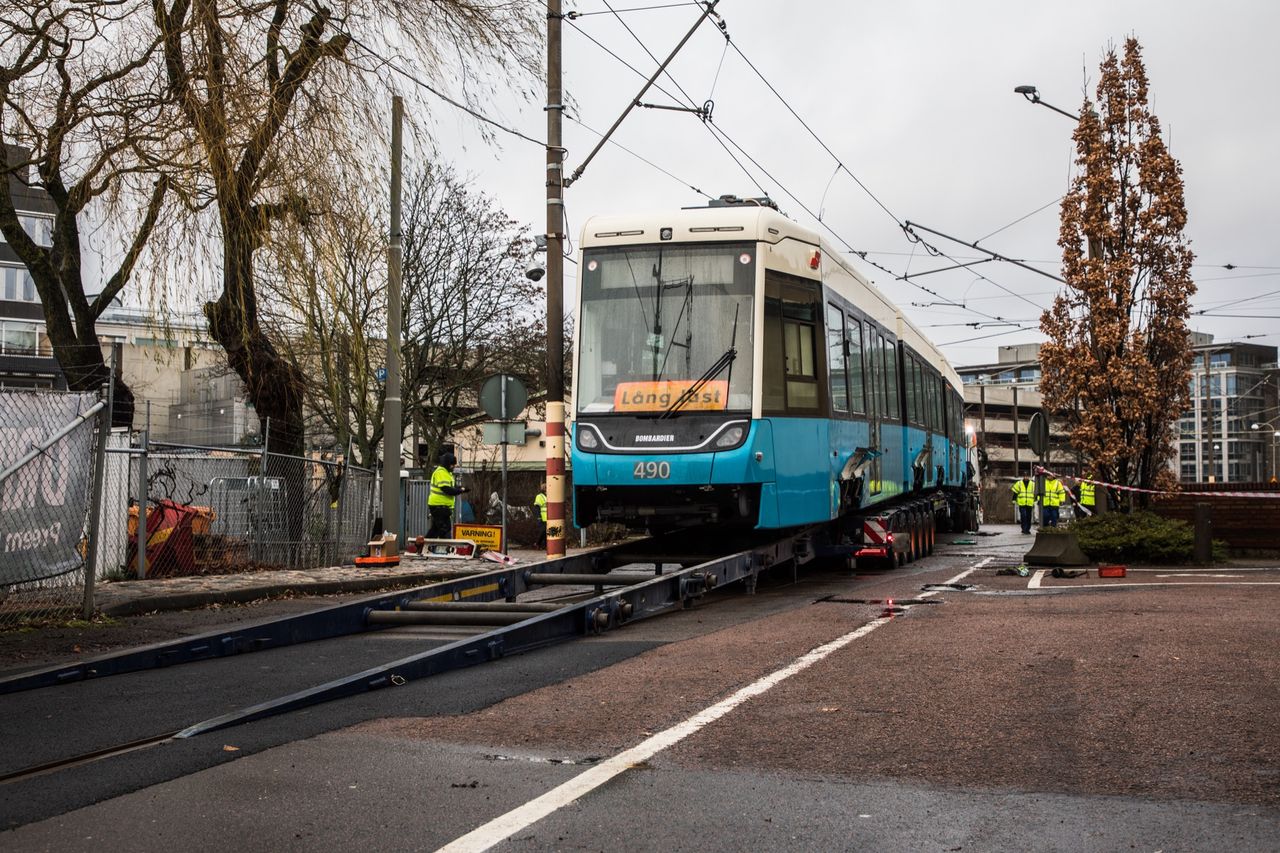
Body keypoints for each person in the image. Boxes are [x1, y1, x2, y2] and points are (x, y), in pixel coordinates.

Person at [427, 452, 467, 539]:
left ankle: (423, 546)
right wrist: (460, 490)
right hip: (439, 506)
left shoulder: (446, 473)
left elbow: (451, 487)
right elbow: (447, 490)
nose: (454, 467)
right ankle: (444, 548)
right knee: (444, 529)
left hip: (441, 507)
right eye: (452, 464)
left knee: (436, 529)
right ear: (447, 464)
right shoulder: (441, 472)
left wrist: (460, 489)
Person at [533, 481, 548, 549]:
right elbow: (537, 507)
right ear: (544, 489)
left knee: (546, 532)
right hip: (542, 517)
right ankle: (537, 543)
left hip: (549, 517)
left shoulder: (549, 495)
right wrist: (538, 517)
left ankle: (544, 546)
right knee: (543, 531)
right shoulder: (539, 496)